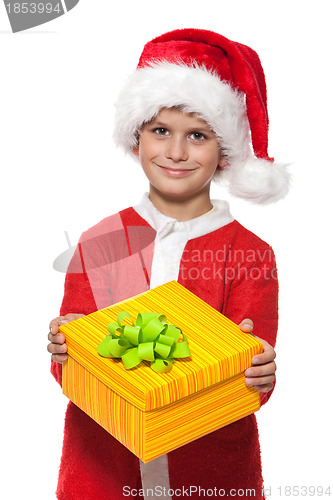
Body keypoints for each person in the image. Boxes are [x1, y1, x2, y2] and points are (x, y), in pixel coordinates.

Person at [47, 29, 289, 500]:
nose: (176, 152)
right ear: (136, 137)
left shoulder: (251, 254)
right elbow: (70, 372)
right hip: (101, 469)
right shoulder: (103, 240)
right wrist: (65, 347)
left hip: (212, 473)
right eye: (161, 130)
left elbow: (251, 379)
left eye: (197, 135)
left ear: (225, 152)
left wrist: (259, 372)